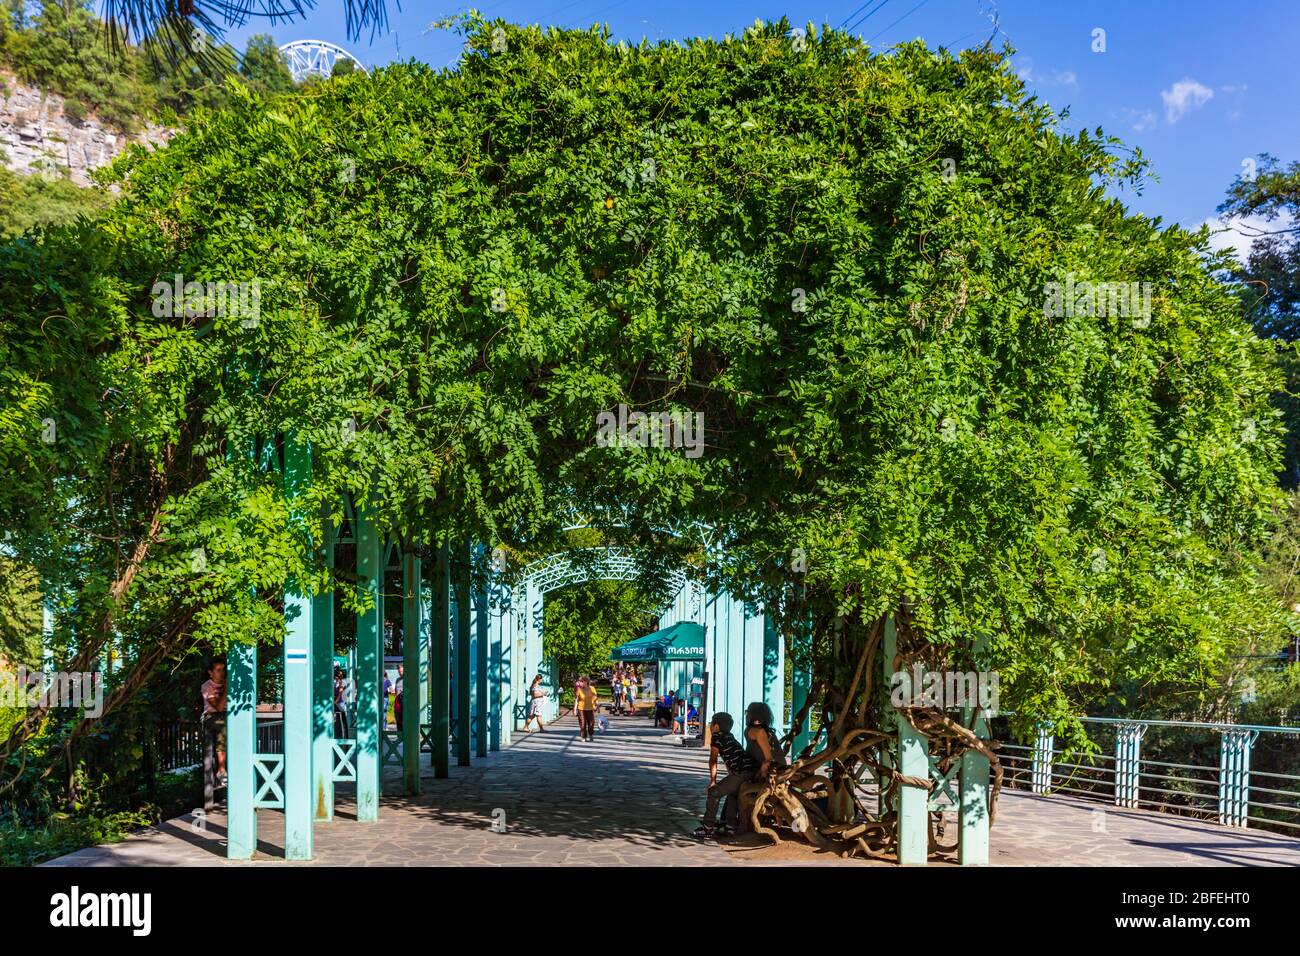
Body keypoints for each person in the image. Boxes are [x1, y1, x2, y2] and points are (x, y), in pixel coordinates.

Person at [693, 712, 752, 838]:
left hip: (740, 773)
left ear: (716, 727)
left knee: (713, 793)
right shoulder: (729, 736)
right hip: (749, 772)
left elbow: (713, 760)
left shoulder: (716, 737)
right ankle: (730, 827)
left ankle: (708, 828)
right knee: (733, 794)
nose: (709, 726)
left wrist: (712, 782)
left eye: (711, 724)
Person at [200, 660, 228, 787]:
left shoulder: (227, 682)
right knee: (222, 726)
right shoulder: (207, 686)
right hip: (211, 716)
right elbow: (219, 707)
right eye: (218, 670)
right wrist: (227, 689)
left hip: (227, 716)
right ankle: (221, 770)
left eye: (223, 669)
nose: (222, 673)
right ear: (211, 673)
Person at [744, 701, 788, 780]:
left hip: (774, 769)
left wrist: (760, 775)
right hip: (770, 766)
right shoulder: (760, 729)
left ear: (753, 715)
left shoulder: (759, 731)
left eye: (747, 712)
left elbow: (769, 759)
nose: (746, 715)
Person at [574, 675, 598, 741]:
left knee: (591, 723)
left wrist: (596, 706)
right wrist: (575, 709)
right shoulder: (579, 689)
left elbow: (595, 698)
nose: (580, 683)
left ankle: (591, 734)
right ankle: (583, 737)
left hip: (590, 708)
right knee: (582, 723)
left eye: (581, 681)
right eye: (580, 681)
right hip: (581, 708)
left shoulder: (592, 688)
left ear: (586, 682)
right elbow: (576, 699)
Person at [333, 666, 350, 738]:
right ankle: (338, 735)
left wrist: (335, 701)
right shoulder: (335, 682)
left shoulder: (343, 682)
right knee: (337, 720)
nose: (335, 678)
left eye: (336, 677)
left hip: (340, 703)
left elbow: (340, 692)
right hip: (336, 702)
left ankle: (344, 737)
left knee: (342, 719)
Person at [393, 663, 404, 731]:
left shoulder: (408, 679)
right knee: (398, 720)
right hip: (398, 703)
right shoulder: (397, 680)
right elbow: (396, 691)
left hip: (404, 703)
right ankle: (399, 737)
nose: (400, 673)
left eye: (401, 671)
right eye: (399, 672)